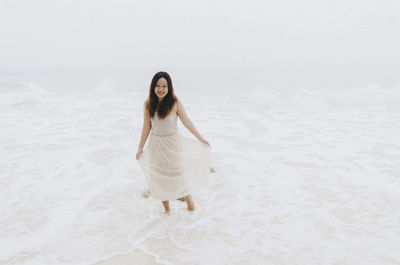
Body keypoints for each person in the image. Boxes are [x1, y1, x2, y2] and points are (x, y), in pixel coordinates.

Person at [136, 71, 211, 213]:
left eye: (164, 86)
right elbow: (146, 127)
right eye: (158, 86)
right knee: (159, 179)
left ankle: (190, 206)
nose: (161, 89)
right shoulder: (148, 104)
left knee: (178, 175)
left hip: (173, 144)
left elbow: (186, 121)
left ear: (169, 87)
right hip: (156, 144)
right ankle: (167, 211)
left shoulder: (175, 102)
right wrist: (140, 148)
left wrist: (200, 138)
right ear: (153, 87)